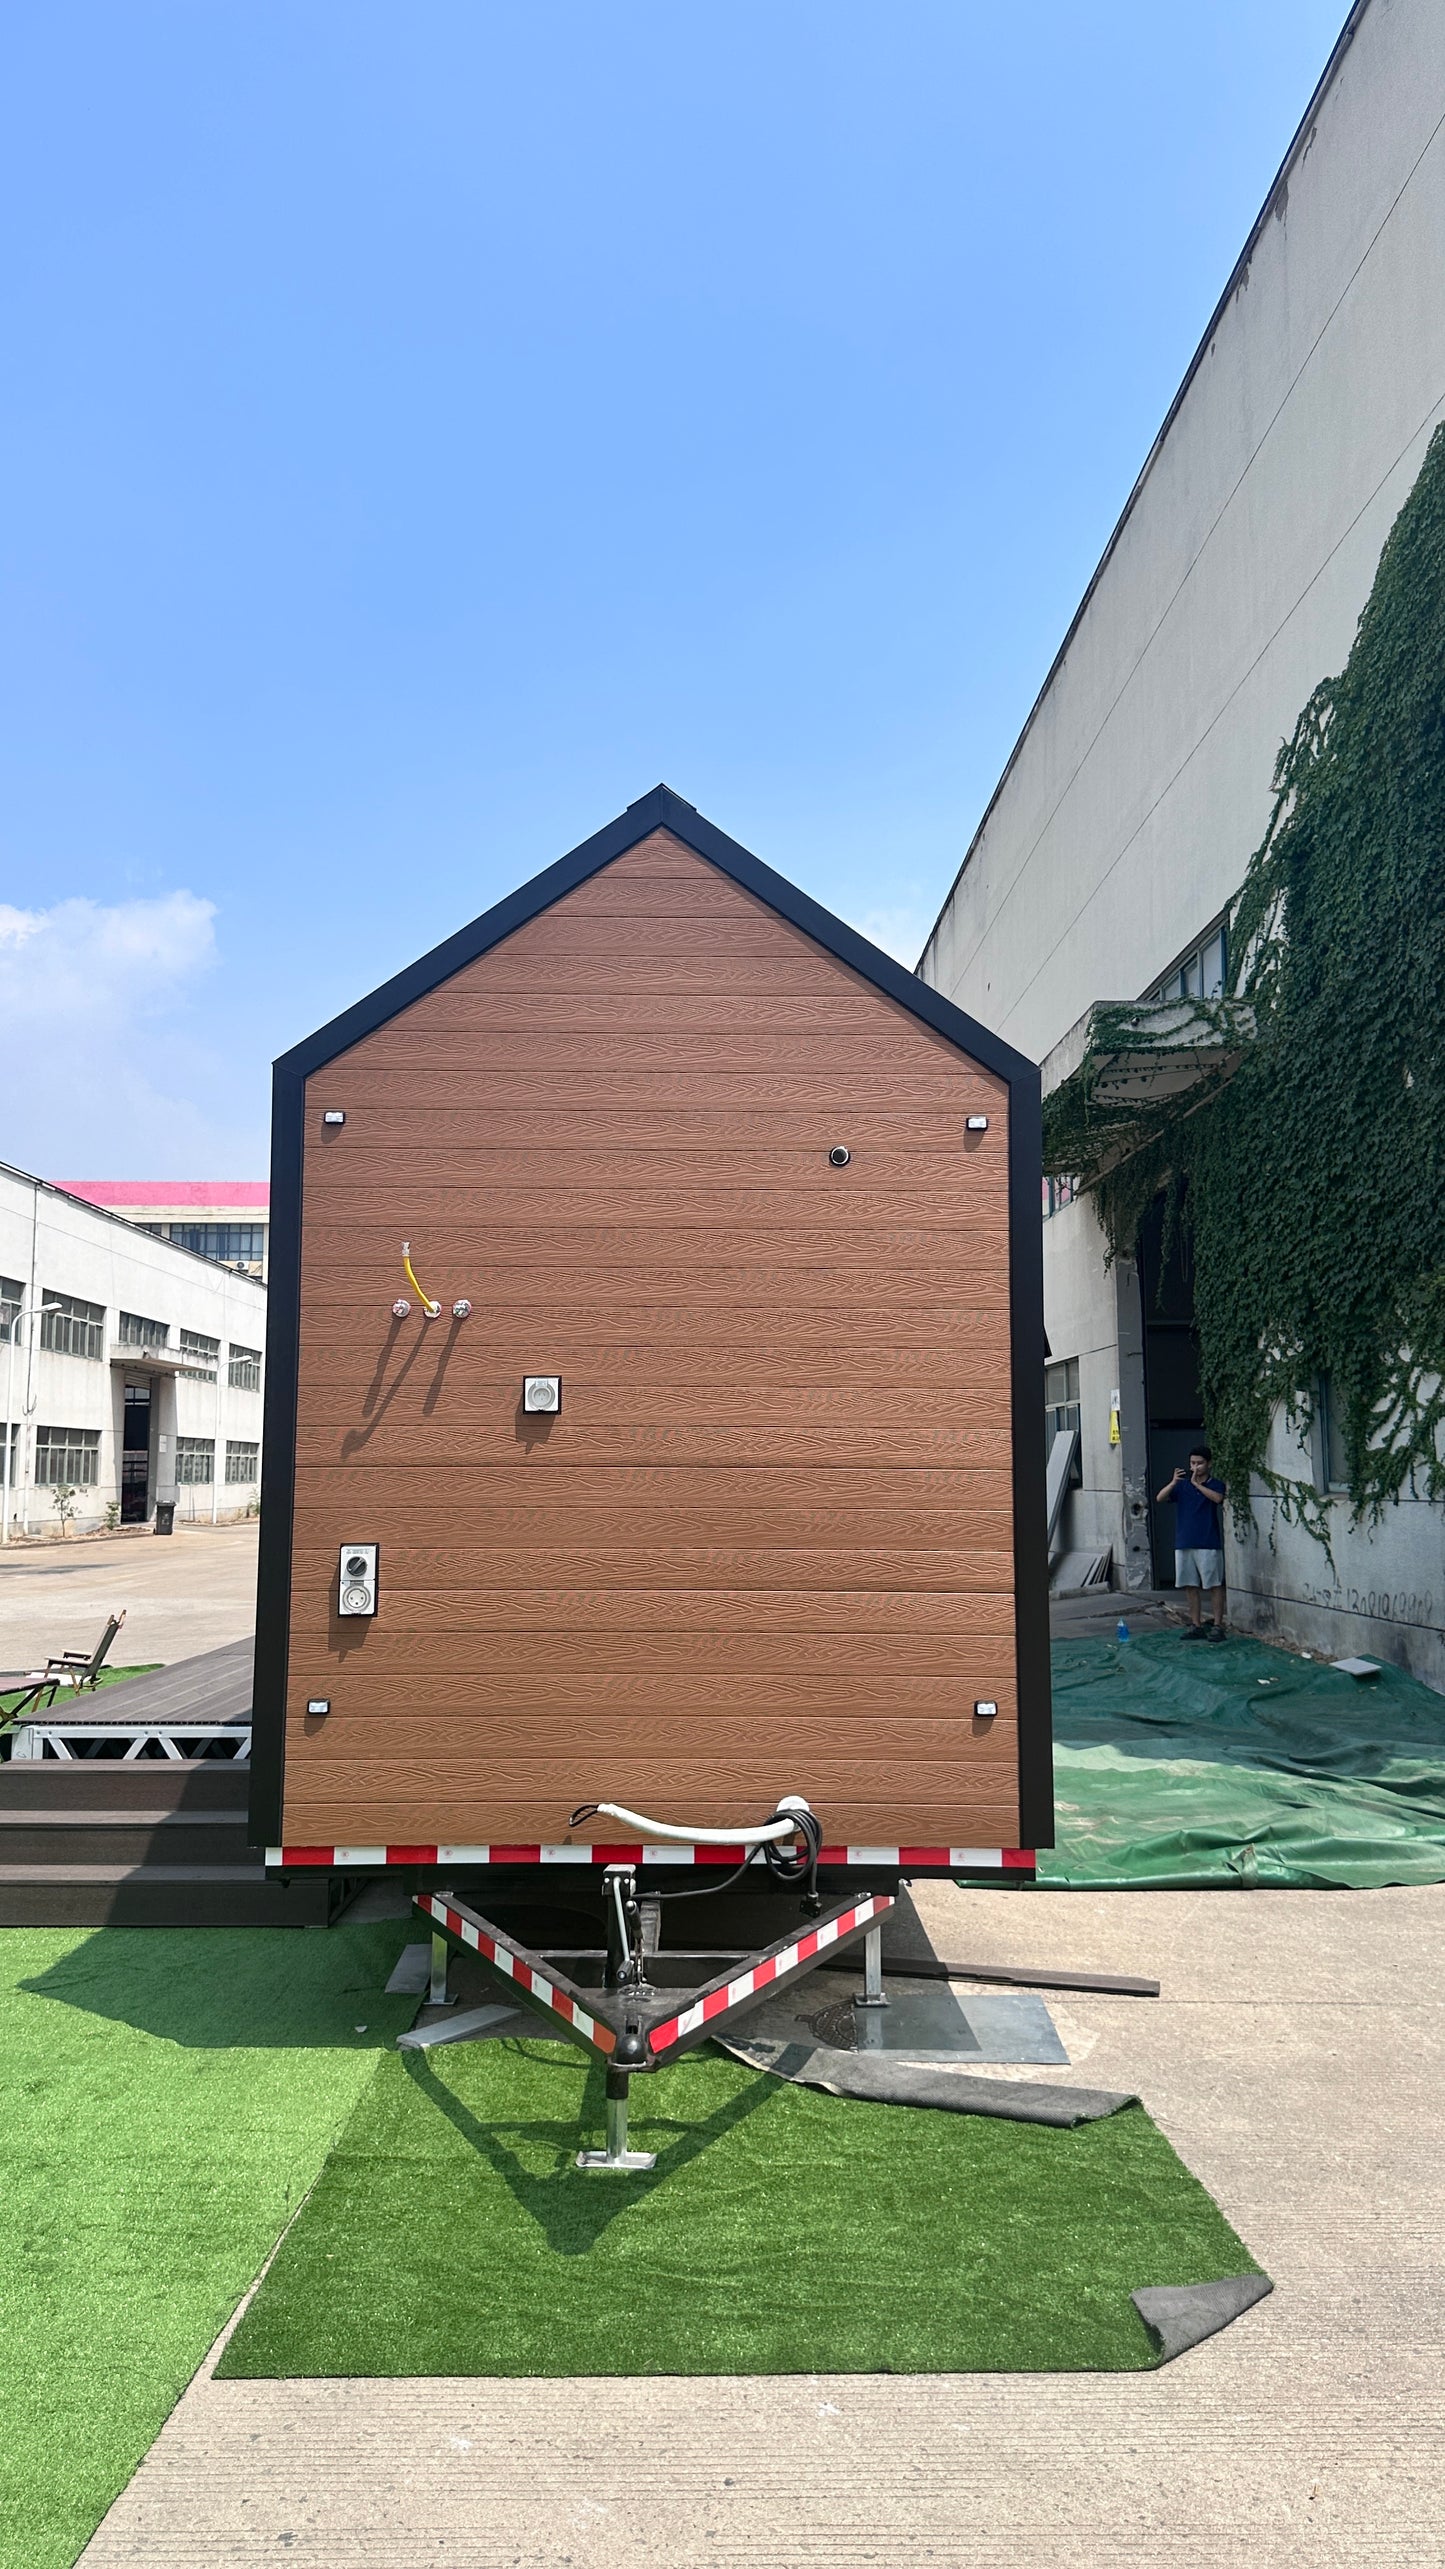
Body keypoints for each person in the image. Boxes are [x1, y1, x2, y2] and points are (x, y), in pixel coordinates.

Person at [1158, 1446, 1227, 1639]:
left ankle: (1217, 1625)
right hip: (1184, 1541)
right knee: (1190, 1585)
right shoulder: (1181, 1485)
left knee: (1214, 1584)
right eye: (1192, 1463)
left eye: (1200, 1463)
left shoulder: (1216, 1484)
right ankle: (1195, 1624)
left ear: (1209, 1464)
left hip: (1208, 1542)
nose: (1195, 1467)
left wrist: (1198, 1485)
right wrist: (1173, 1483)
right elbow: (1160, 1498)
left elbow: (1218, 1498)